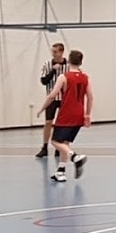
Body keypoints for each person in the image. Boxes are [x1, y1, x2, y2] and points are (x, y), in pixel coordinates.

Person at [38, 50, 92, 183]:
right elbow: (90, 97)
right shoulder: (85, 77)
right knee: (65, 143)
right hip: (79, 113)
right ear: (81, 62)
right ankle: (60, 172)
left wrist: (42, 108)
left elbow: (52, 95)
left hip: (67, 112)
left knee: (55, 141)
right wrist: (87, 114)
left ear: (68, 61)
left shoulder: (64, 77)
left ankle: (74, 157)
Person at [37, 41, 66, 158]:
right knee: (48, 122)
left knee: (61, 123)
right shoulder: (47, 65)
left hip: (64, 98)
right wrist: (53, 70)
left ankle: (58, 146)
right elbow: (44, 81)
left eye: (55, 52)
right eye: (52, 52)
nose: (53, 54)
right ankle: (44, 147)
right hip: (52, 98)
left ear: (61, 52)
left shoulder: (68, 66)